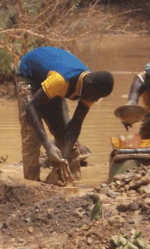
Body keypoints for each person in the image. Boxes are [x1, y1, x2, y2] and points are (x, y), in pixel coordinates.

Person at [15, 46, 114, 183]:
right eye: (96, 97)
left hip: (51, 78)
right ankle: (31, 185)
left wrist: (63, 158)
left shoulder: (91, 89)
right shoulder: (61, 80)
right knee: (32, 135)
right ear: (89, 85)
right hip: (29, 74)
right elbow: (32, 107)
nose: (95, 100)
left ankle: (71, 181)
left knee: (66, 137)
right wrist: (48, 146)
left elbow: (75, 126)